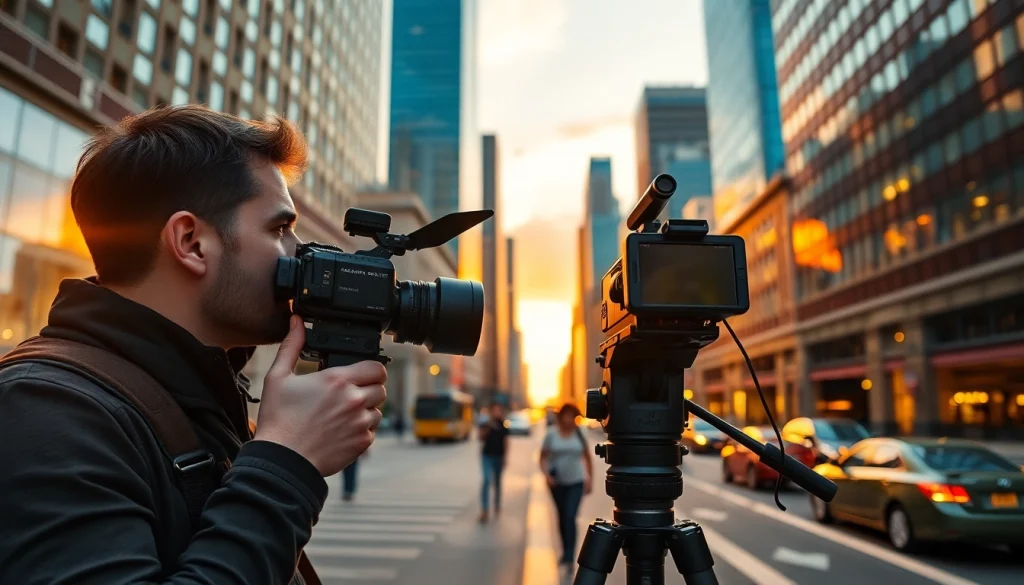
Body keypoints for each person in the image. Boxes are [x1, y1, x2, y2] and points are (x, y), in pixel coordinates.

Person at [0, 106, 388, 584]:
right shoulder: (47, 412)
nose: (300, 253)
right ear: (191, 242)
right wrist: (288, 461)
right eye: (279, 229)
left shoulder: (188, 395)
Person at [540, 403, 593, 568]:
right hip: (557, 483)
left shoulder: (580, 432)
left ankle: (570, 556)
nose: (569, 419)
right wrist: (547, 475)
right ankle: (565, 551)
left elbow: (588, 457)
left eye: (573, 416)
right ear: (561, 416)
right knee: (562, 517)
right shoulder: (551, 434)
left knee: (570, 516)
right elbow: (542, 458)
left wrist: (590, 478)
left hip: (576, 482)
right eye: (567, 415)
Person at [478, 402, 510, 522]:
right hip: (487, 456)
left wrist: (506, 457)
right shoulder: (485, 423)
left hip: (499, 456)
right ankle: (484, 509)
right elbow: (480, 437)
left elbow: (506, 441)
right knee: (486, 480)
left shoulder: (504, 424)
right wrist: (488, 427)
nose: (497, 412)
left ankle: (497, 504)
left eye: (498, 410)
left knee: (497, 482)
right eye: (494, 410)